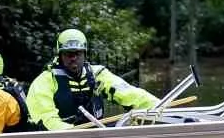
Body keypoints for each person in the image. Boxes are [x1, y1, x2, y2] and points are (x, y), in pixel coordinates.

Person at [25, 28, 160, 128]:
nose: (74, 59)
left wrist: (159, 107)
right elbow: (46, 118)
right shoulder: (45, 81)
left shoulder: (97, 74)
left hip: (94, 136)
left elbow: (131, 94)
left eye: (78, 53)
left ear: (85, 54)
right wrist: (74, 134)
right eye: (68, 54)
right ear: (60, 55)